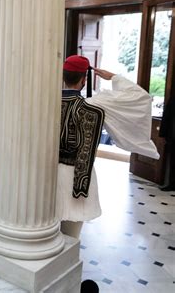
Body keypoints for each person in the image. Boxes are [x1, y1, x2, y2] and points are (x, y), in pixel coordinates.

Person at [57, 55, 159, 239]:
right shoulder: (94, 104)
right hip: (78, 177)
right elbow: (140, 98)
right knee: (71, 237)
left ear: (64, 76)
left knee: (47, 233)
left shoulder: (48, 103)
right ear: (84, 79)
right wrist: (113, 77)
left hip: (48, 175)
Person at [159, 96, 175, 191]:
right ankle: (172, 184)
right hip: (173, 136)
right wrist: (163, 134)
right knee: (173, 161)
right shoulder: (173, 99)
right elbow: (166, 116)